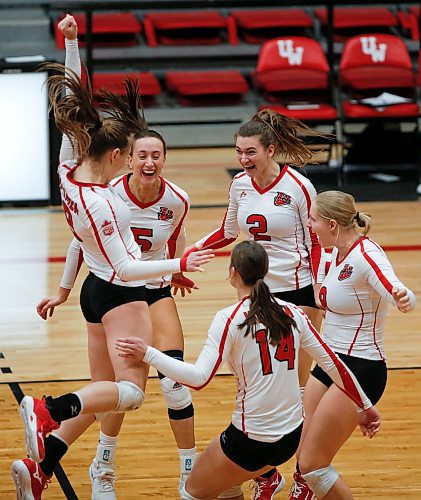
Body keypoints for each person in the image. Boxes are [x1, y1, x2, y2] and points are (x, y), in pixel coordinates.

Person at [10, 15, 213, 500]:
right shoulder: (103, 201)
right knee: (133, 394)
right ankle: (48, 408)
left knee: (105, 395)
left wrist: (73, 44)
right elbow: (126, 269)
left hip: (92, 295)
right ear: (118, 157)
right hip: (121, 292)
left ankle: (41, 467)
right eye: (129, 153)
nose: (134, 159)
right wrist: (178, 265)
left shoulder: (67, 169)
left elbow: (72, 100)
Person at [115, 240, 381, 500]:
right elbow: (334, 365)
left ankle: (264, 479)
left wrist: (148, 354)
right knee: (229, 485)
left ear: (233, 273)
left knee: (191, 491)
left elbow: (199, 379)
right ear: (265, 272)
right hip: (290, 439)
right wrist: (365, 405)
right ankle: (266, 479)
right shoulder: (293, 312)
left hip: (251, 441)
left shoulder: (229, 318)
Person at [288, 190, 416, 500]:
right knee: (300, 446)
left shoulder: (366, 255)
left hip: (361, 368)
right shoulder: (332, 254)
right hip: (331, 364)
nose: (309, 223)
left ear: (332, 224)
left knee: (313, 465)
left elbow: (396, 289)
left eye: (314, 219)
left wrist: (403, 298)